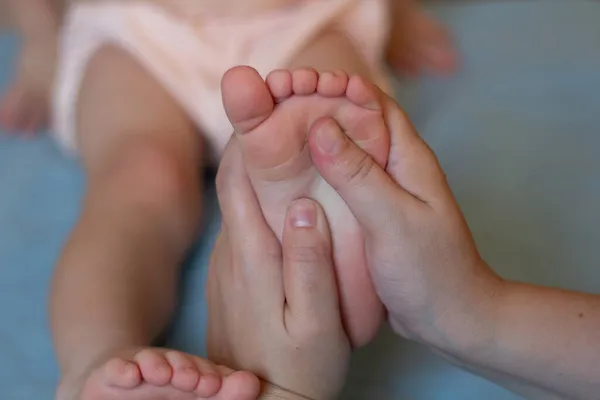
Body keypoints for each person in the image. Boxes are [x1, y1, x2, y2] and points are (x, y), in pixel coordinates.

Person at [0, 1, 456, 399]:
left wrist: (396, 12)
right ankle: (98, 358)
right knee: (137, 177)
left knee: (329, 150)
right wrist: (41, 35)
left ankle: (290, 350)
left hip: (302, 23)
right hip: (137, 33)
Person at [208, 74, 600, 400]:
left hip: (296, 25)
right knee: (150, 167)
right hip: (151, 63)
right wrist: (471, 309)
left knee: (154, 178)